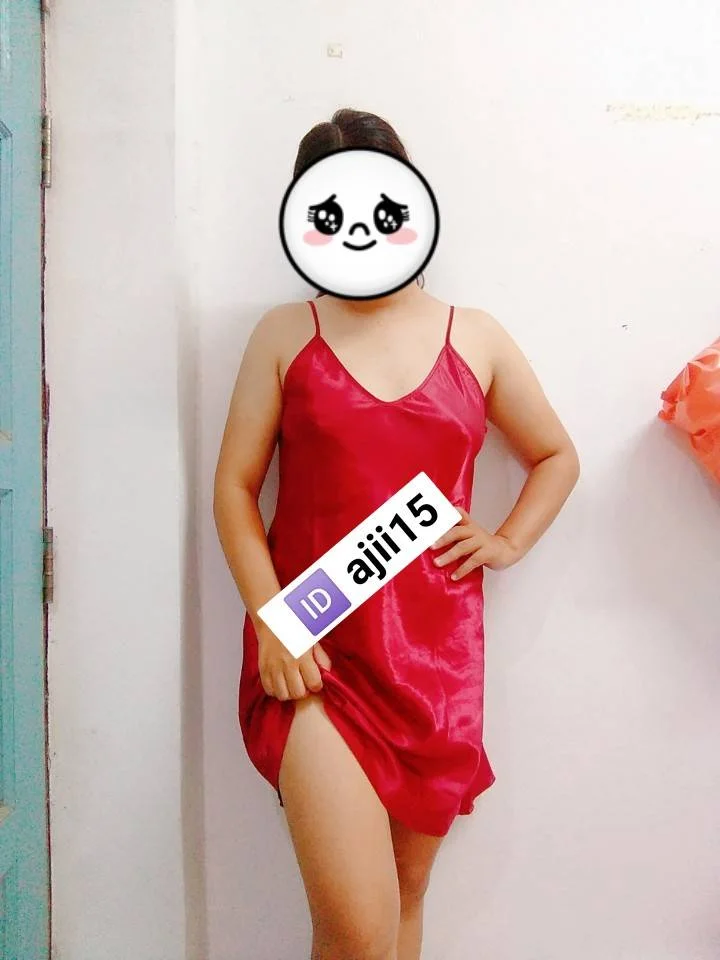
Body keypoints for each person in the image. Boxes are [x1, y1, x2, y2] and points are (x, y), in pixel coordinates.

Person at [213, 108, 580, 960]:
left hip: (434, 660)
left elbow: (556, 455)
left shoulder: (476, 335)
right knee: (356, 931)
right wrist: (272, 620)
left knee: (405, 907)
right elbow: (234, 488)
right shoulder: (285, 333)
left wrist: (508, 541)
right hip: (313, 651)